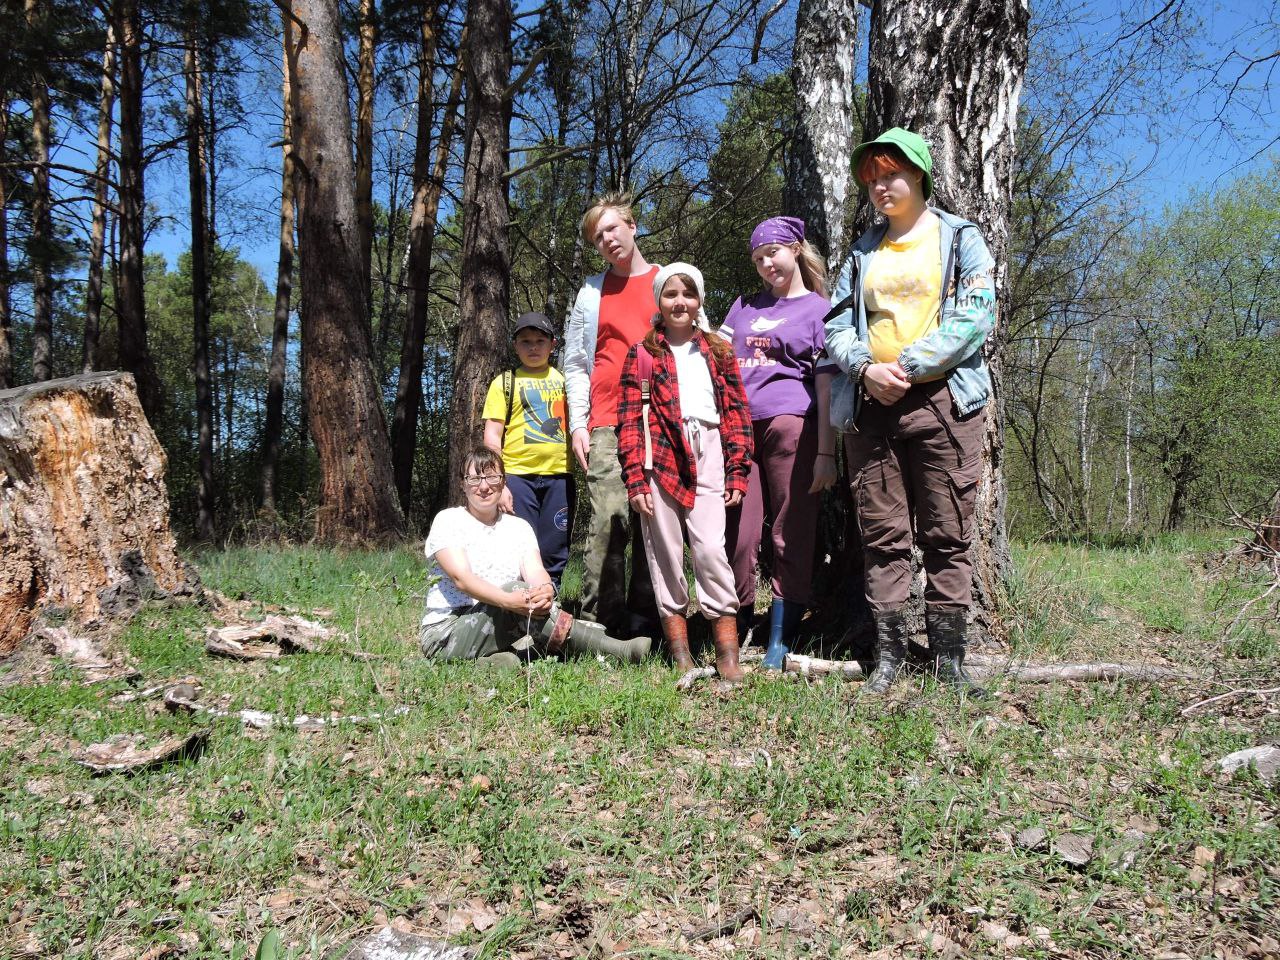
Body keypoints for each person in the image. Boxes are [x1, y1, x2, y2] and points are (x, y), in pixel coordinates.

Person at [825, 127, 997, 697]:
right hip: (871, 408)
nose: (880, 187)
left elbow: (976, 314)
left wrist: (910, 366)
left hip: (944, 403)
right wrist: (866, 369)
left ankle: (950, 661)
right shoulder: (861, 252)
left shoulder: (961, 239)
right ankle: (891, 659)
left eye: (891, 174)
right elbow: (834, 324)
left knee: (947, 535)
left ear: (919, 174)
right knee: (883, 538)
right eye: (871, 179)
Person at [616, 263, 754, 683]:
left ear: (700, 301)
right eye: (671, 294)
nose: (680, 302)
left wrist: (737, 469)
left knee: (711, 549)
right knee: (666, 555)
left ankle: (726, 652)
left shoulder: (719, 351)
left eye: (688, 294)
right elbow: (627, 421)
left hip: (710, 452)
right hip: (658, 458)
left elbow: (736, 412)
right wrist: (636, 479)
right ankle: (681, 652)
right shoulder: (641, 355)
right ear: (658, 301)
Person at [720, 216, 838, 670]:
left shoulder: (819, 310)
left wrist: (826, 452)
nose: (766, 263)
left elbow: (826, 387)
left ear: (795, 249)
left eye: (772, 252)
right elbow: (716, 355)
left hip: (794, 425)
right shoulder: (743, 306)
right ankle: (740, 620)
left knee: (791, 529)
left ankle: (780, 637)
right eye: (758, 258)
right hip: (737, 429)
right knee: (739, 530)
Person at [419, 446, 650, 666]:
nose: (484, 486)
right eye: (475, 479)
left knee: (539, 610)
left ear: (503, 482)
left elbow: (536, 571)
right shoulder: (449, 520)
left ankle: (497, 661)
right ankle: (618, 652)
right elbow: (462, 579)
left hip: (504, 617)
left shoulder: (519, 527)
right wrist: (509, 601)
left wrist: (544, 590)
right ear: (463, 484)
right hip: (446, 633)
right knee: (520, 594)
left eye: (492, 477)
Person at [563, 192, 662, 639]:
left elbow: (697, 343)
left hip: (660, 417)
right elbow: (577, 363)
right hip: (606, 418)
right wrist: (579, 423)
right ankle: (599, 620)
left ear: (632, 225)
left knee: (652, 518)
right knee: (609, 516)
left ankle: (647, 617)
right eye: (598, 237)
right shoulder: (591, 291)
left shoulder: (668, 281)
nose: (606, 240)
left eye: (611, 229)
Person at [482, 312, 572, 589]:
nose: (533, 347)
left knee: (555, 545)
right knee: (521, 544)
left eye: (539, 341)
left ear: (552, 345)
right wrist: (500, 483)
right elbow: (492, 436)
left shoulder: (567, 382)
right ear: (515, 346)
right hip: (518, 478)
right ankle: (518, 606)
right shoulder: (504, 382)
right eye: (525, 342)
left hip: (559, 477)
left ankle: (549, 601)